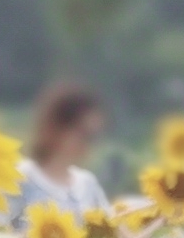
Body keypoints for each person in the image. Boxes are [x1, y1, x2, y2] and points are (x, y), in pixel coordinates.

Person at [14, 82, 112, 220]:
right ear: (57, 128)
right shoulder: (21, 178)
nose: (88, 143)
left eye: (93, 136)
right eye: (84, 134)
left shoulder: (88, 184)